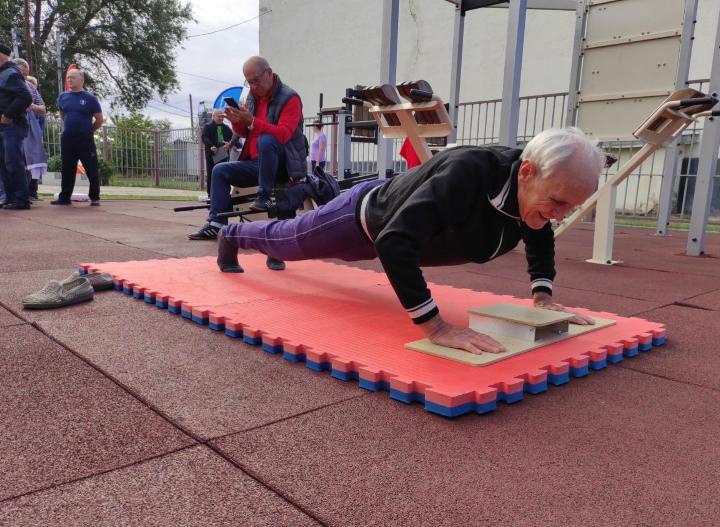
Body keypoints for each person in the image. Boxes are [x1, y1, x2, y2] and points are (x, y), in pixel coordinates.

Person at [216, 127, 604, 354]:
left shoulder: (532, 199)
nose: (560, 214)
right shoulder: (469, 173)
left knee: (292, 243)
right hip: (361, 219)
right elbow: (395, 241)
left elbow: (538, 235)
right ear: (527, 171)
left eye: (571, 206)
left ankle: (239, 236)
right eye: (557, 202)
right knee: (288, 240)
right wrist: (437, 328)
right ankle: (232, 234)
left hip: (398, 226)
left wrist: (543, 298)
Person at [188, 56, 305, 248]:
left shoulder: (290, 98)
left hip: (282, 165)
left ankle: (264, 197)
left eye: (255, 80)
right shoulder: (252, 96)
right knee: (220, 170)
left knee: (267, 140)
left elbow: (283, 135)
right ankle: (215, 223)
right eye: (248, 82)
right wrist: (236, 120)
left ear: (269, 73)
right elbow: (244, 132)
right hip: (256, 164)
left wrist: (252, 121)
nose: (252, 86)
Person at [52, 68, 103, 206]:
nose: (69, 80)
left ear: (81, 80)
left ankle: (95, 197)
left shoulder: (90, 98)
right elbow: (63, 115)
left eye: (73, 77)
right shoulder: (62, 97)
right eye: (68, 77)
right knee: (67, 167)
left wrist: (89, 131)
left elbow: (99, 119)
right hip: (68, 138)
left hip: (85, 139)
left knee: (91, 167)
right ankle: (64, 197)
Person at [0, 43, 32, 210]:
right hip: (4, 127)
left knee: (12, 162)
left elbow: (25, 97)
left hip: (12, 125)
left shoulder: (11, 73)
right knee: (4, 163)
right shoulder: (4, 73)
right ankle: (9, 197)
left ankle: (21, 199)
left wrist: (8, 115)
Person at [14, 58, 47, 201]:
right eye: (23, 73)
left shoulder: (30, 86)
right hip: (8, 126)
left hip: (28, 128)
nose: (25, 77)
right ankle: (8, 194)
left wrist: (31, 105)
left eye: (27, 74)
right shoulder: (5, 84)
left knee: (27, 161)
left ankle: (25, 194)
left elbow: (43, 109)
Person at [201, 109, 233, 193]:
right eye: (219, 116)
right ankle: (210, 195)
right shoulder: (208, 126)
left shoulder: (226, 127)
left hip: (223, 154)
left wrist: (230, 143)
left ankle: (224, 193)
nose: (221, 118)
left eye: (222, 116)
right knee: (211, 174)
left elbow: (232, 138)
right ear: (213, 116)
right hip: (212, 155)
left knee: (224, 174)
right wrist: (211, 146)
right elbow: (204, 137)